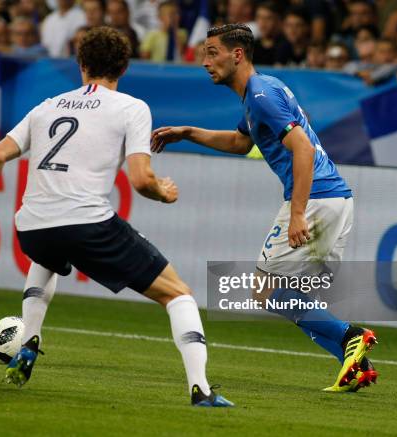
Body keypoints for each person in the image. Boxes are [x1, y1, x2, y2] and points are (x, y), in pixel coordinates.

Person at [0, 26, 233, 407]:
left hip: (32, 227)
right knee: (178, 295)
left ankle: (30, 340)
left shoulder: (47, 106)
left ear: (80, 64)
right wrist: (163, 193)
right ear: (123, 67)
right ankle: (201, 389)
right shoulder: (131, 108)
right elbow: (140, 179)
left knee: (47, 256)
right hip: (87, 224)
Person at [151, 23, 379, 393]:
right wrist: (188, 132)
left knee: (264, 290)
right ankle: (354, 364)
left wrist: (298, 213)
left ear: (236, 54)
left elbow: (302, 148)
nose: (205, 62)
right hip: (337, 200)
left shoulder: (260, 95)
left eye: (212, 53)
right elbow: (242, 142)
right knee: (296, 296)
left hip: (316, 199)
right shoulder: (262, 91)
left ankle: (351, 336)